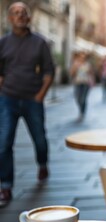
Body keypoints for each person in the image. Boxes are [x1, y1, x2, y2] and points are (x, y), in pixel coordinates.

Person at [0, 2, 55, 207]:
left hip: (33, 99)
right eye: (15, 13)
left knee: (40, 139)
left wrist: (40, 95)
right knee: (4, 143)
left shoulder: (39, 43)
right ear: (10, 18)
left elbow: (49, 71)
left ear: (29, 18)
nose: (20, 15)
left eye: (23, 13)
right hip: (8, 99)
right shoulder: (3, 43)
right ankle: (5, 186)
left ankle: (42, 164)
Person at [70, 52, 94, 121]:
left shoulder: (88, 65)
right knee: (77, 98)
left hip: (86, 83)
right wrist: (75, 68)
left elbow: (91, 74)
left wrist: (92, 81)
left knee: (83, 99)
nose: (82, 58)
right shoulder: (75, 64)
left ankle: (82, 113)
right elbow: (71, 73)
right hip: (77, 83)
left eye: (83, 57)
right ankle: (81, 111)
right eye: (81, 57)